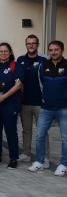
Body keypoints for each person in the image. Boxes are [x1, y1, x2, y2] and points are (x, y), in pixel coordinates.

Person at [28, 40, 67, 176]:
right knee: (39, 135)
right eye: (51, 50)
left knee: (65, 137)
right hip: (46, 107)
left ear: (62, 50)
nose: (53, 52)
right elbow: (41, 84)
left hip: (64, 108)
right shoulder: (43, 65)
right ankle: (41, 161)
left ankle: (63, 164)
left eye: (56, 50)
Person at [0, 43, 24, 169]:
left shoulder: (15, 66)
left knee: (11, 131)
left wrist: (5, 96)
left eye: (5, 51)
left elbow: (18, 85)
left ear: (10, 52)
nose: (3, 53)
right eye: (1, 51)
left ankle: (13, 158)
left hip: (10, 103)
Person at [16, 35, 50, 165]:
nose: (31, 45)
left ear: (38, 44)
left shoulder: (44, 60)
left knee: (42, 130)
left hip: (40, 103)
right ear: (26, 45)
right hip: (24, 101)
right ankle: (26, 153)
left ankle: (45, 157)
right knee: (26, 129)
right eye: (29, 43)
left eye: (33, 43)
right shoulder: (20, 60)